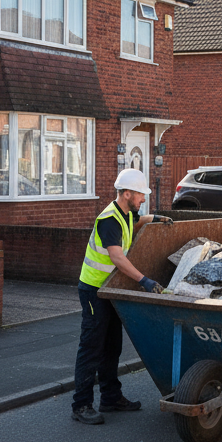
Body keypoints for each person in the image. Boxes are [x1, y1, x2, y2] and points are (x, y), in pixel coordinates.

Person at [72, 168, 173, 425]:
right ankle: (81, 405)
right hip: (95, 290)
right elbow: (117, 256)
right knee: (91, 348)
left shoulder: (126, 213)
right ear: (126, 193)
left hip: (110, 289)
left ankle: (110, 398)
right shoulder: (108, 219)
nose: (143, 199)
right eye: (140, 194)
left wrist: (156, 218)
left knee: (112, 347)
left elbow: (135, 222)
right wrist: (144, 280)